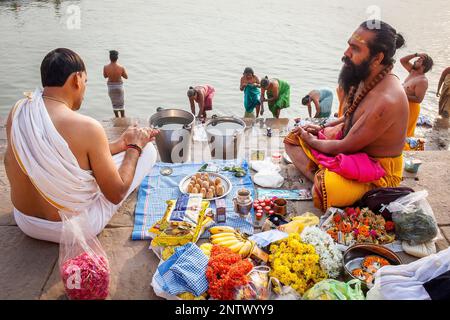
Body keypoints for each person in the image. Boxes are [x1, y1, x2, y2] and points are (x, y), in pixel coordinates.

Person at [4, 48, 159, 243]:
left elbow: (63, 155)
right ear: (77, 79)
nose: (84, 89)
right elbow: (116, 193)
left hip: (26, 222)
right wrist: (135, 147)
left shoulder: (19, 111)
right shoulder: (88, 127)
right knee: (148, 151)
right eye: (85, 81)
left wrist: (120, 144)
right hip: (73, 229)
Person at [284, 20, 408, 212]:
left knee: (324, 187)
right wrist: (321, 129)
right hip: (352, 150)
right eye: (349, 45)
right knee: (292, 139)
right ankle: (329, 175)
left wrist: (312, 140)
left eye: (355, 49)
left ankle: (327, 177)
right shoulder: (366, 76)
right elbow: (351, 115)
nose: (346, 53)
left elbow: (344, 146)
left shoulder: (387, 99)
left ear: (377, 58)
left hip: (377, 173)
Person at [400, 52, 433, 137]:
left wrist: (400, 94)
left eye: (419, 60)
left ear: (423, 66)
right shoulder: (412, 71)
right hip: (403, 104)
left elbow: (419, 99)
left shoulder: (422, 81)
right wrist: (416, 55)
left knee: (404, 133)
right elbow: (402, 60)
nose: (415, 61)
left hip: (411, 108)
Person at [103, 50, 128, 118]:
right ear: (117, 58)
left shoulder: (105, 67)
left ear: (109, 58)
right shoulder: (121, 67)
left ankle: (117, 118)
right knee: (121, 105)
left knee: (114, 104)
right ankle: (123, 118)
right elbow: (126, 77)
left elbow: (105, 76)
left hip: (111, 87)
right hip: (119, 86)